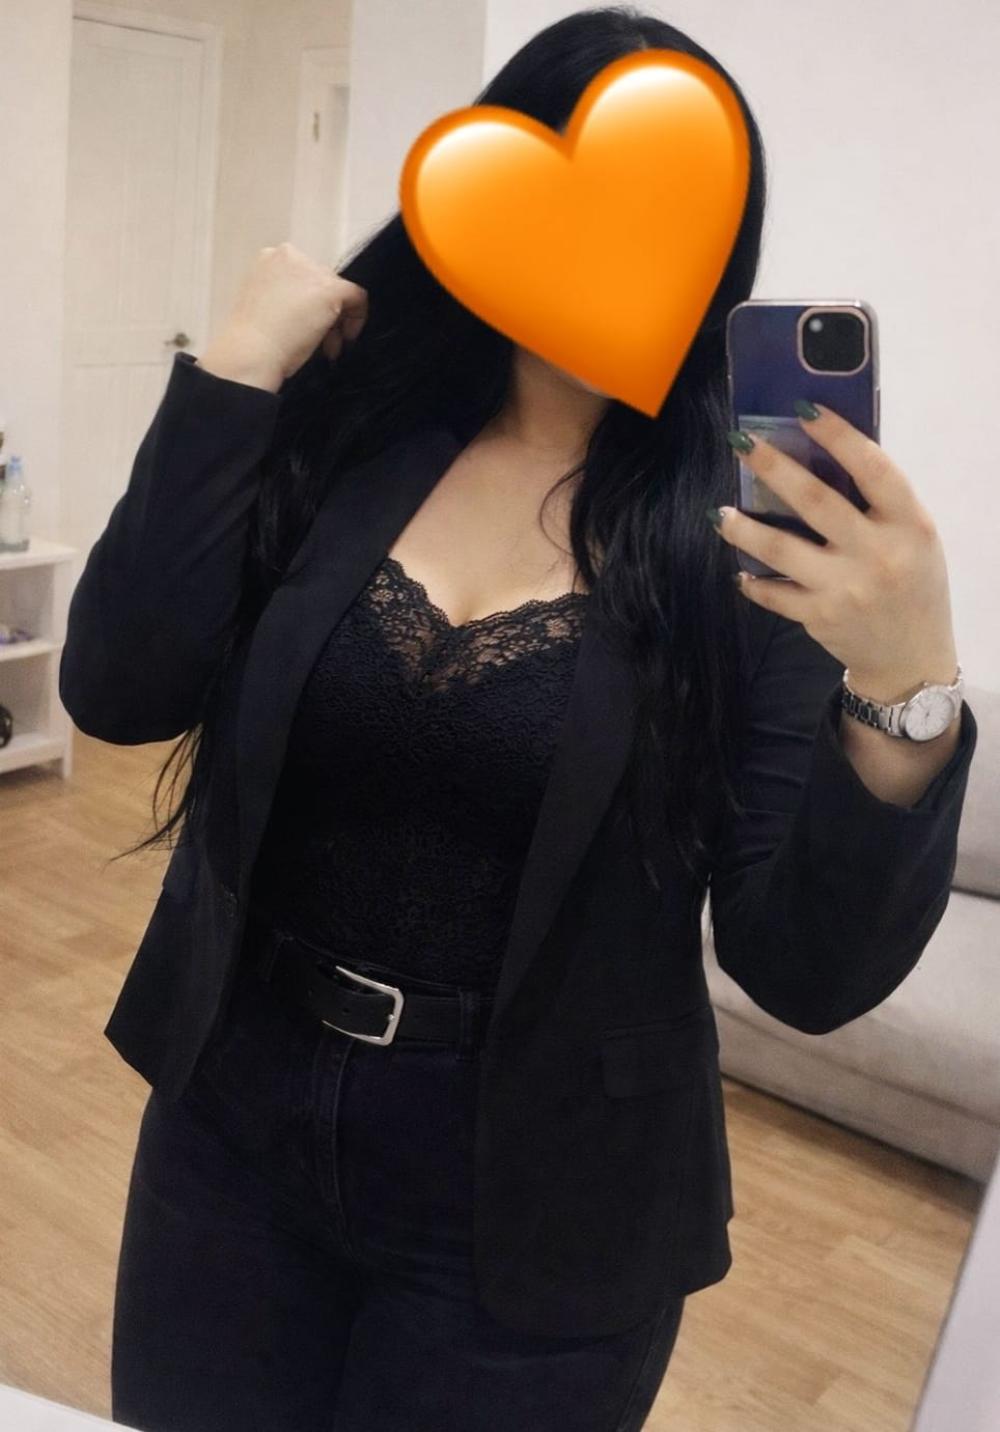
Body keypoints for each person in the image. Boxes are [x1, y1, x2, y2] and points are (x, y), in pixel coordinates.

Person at [57, 6, 975, 1432]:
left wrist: (904, 683)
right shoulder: (353, 429)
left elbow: (805, 971)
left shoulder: (751, 542)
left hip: (543, 1204)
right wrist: (236, 369)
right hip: (232, 1122)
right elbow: (118, 689)